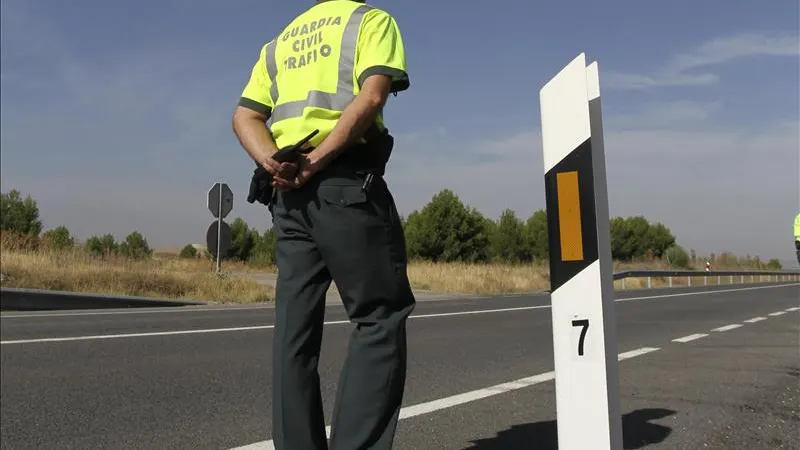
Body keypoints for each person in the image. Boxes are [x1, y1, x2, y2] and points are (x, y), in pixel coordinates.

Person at [231, 1, 416, 449]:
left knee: (293, 332)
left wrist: (273, 164)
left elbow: (244, 116)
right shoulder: (370, 21)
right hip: (345, 187)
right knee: (379, 317)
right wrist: (315, 161)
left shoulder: (281, 42)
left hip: (288, 199)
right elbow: (372, 96)